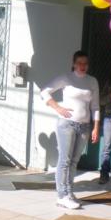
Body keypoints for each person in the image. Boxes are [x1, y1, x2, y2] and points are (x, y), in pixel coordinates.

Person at [41, 50, 100, 210]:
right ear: (74, 64)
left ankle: (69, 192)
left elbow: (95, 106)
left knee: (74, 161)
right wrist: (57, 107)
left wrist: (96, 127)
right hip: (67, 124)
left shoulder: (92, 81)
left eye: (85, 63)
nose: (82, 66)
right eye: (79, 63)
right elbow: (45, 91)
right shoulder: (66, 78)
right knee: (65, 160)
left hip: (85, 126)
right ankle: (62, 195)